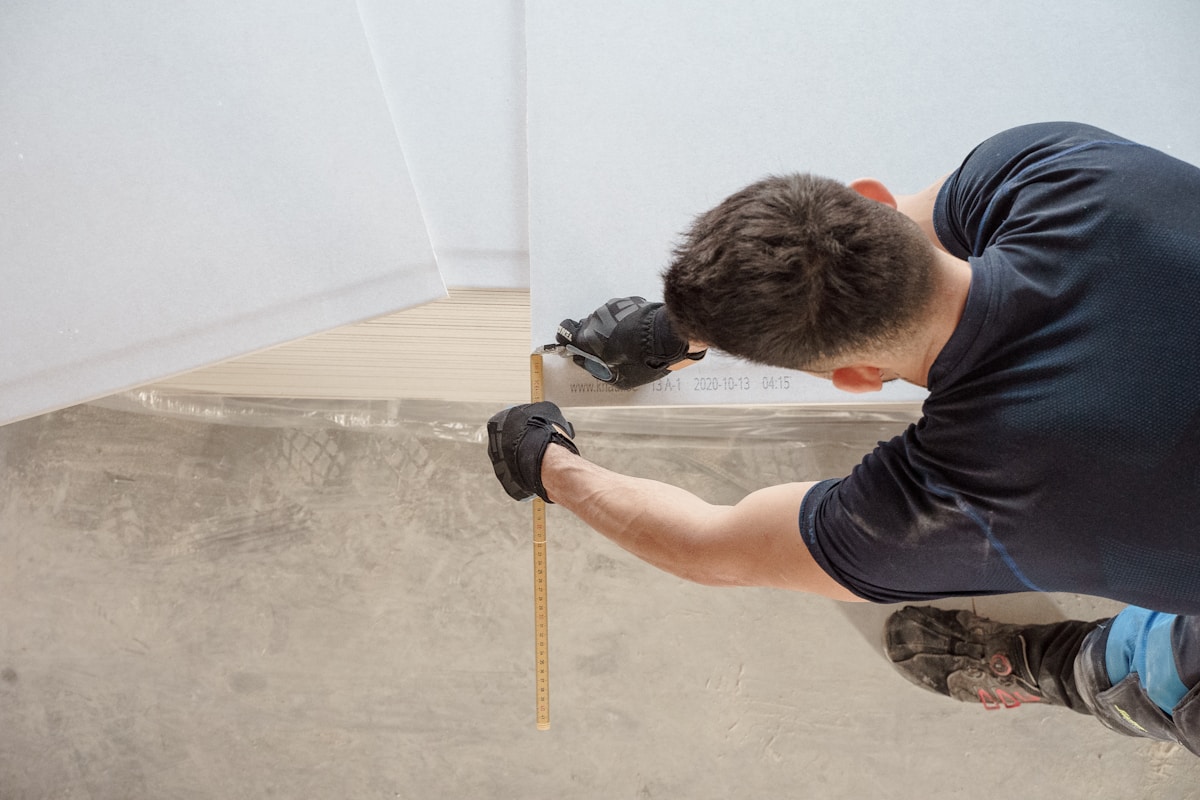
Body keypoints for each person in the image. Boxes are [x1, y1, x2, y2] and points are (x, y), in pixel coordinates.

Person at [486, 122, 1200, 753]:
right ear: (869, 192)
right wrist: (686, 324)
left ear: (858, 377)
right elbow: (903, 237)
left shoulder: (955, 501)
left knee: (1165, 677)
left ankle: (1077, 670)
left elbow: (710, 548)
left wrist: (545, 461)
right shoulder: (1054, 169)